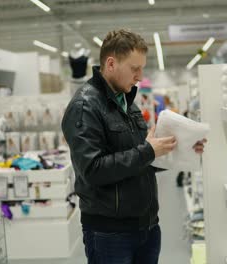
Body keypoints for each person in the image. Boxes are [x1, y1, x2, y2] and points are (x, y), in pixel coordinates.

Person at [61, 29, 206, 264]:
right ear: (111, 63)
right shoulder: (85, 106)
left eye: (141, 68)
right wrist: (148, 151)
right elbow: (93, 170)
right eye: (134, 68)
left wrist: (180, 148)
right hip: (110, 234)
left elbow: (141, 161)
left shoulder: (128, 103)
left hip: (147, 227)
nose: (140, 76)